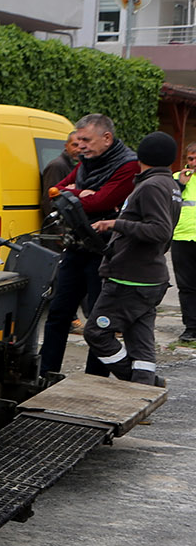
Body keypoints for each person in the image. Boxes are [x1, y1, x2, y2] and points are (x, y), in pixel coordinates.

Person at [40, 114, 143, 377]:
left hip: (105, 252)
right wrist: (79, 194)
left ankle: (94, 379)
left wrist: (76, 195)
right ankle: (46, 373)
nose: (80, 145)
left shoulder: (128, 166)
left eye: (86, 139)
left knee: (99, 321)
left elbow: (101, 202)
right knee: (59, 313)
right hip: (76, 246)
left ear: (106, 138)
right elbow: (55, 191)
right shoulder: (86, 162)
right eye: (78, 140)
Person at [82, 131, 181, 385]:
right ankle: (145, 386)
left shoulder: (151, 186)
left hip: (130, 278)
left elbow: (159, 230)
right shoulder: (169, 184)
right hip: (149, 277)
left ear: (142, 155)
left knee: (96, 333)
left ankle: (139, 384)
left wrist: (115, 223)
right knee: (140, 339)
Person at [174, 144, 196, 342]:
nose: (193, 163)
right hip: (181, 238)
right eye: (190, 159)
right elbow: (167, 202)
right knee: (186, 285)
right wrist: (181, 184)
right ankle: (190, 327)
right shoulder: (176, 178)